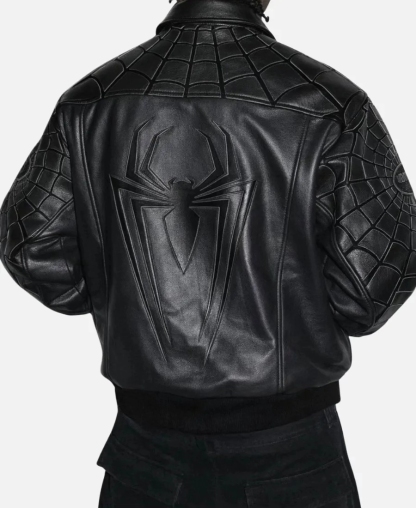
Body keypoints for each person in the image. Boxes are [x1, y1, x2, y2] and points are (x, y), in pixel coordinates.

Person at [1, 0, 415, 506]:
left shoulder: (89, 101)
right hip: (291, 451)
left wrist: (118, 295)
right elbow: (371, 292)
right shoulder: (330, 102)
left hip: (145, 450)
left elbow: (31, 245)